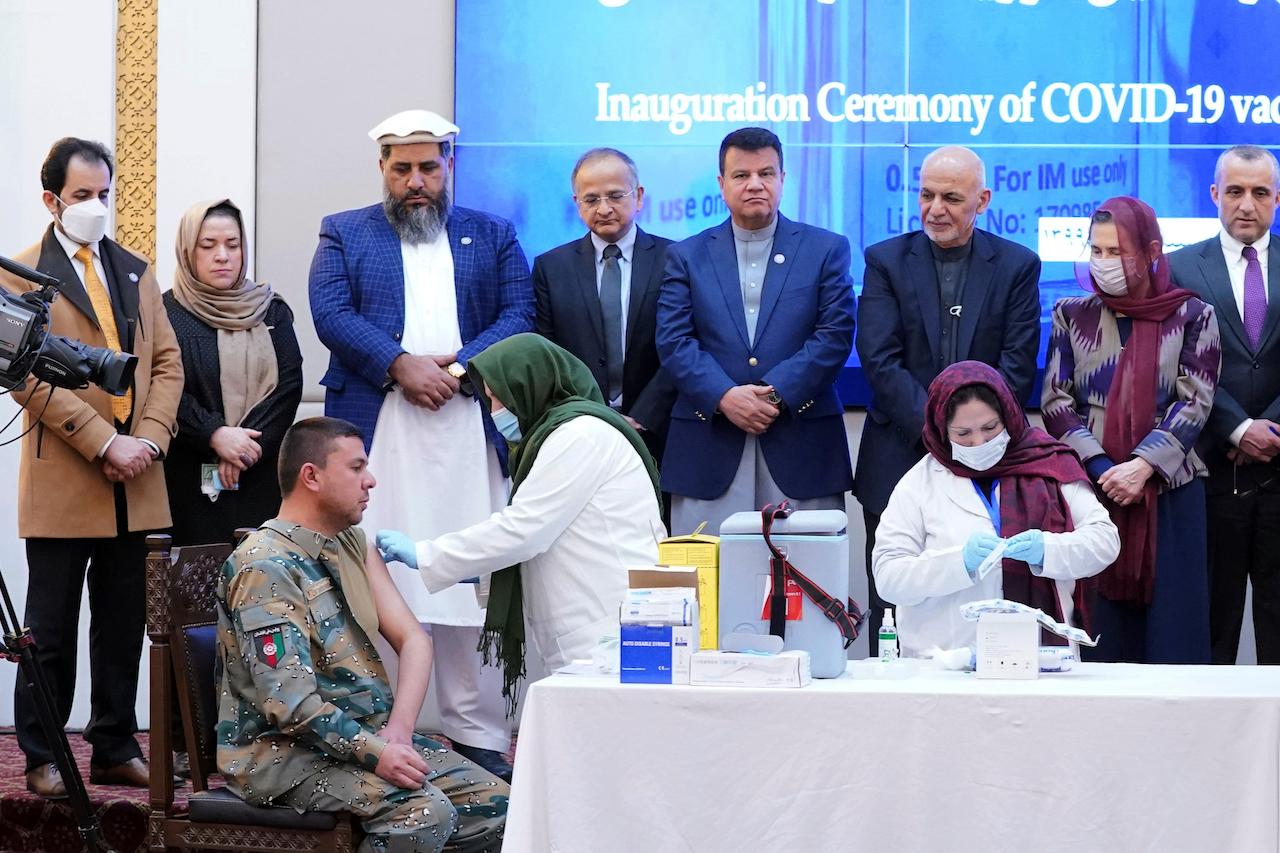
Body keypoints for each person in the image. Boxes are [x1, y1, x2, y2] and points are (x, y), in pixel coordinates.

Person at [309, 109, 533, 780]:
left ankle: (478, 734)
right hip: (381, 434)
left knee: (473, 577)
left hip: (469, 428)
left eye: (428, 167)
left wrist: (457, 369)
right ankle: (378, 727)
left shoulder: (490, 235)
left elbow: (519, 314)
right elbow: (332, 312)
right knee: (376, 576)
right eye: (402, 168)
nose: (416, 181)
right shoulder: (345, 232)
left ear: (449, 167)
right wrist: (400, 363)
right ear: (383, 168)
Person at [217, 417, 508, 853]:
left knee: (501, 806)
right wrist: (377, 752)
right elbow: (292, 706)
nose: (370, 481)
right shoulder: (266, 566)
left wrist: (399, 733)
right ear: (311, 476)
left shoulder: (348, 542)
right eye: (356, 468)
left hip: (362, 737)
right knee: (422, 813)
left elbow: (414, 640)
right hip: (281, 754)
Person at [0, 138, 183, 798]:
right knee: (47, 628)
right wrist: (106, 442)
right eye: (82, 197)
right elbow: (23, 377)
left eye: (104, 194)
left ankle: (113, 744)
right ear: (51, 199)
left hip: (140, 479)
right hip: (66, 478)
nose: (95, 207)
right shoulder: (18, 273)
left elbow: (167, 364)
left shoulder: (136, 270)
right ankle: (43, 753)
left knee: (123, 623)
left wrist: (150, 442)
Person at [376, 334, 664, 708]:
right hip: (593, 632)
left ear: (530, 386)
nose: (494, 410)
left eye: (498, 397)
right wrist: (471, 569)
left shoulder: (579, 435)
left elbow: (524, 531)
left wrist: (427, 553)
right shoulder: (558, 437)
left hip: (605, 631)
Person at [854, 145, 1041, 654]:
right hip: (899, 452)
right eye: (927, 195)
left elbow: (1017, 365)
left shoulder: (1017, 265)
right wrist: (938, 432)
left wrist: (972, 435)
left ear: (982, 200)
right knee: (893, 599)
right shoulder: (886, 260)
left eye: (951, 198)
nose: (935, 208)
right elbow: (878, 358)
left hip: (988, 459)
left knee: (990, 590)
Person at [1042, 196, 1221, 664]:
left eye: (1116, 252)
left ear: (1151, 251)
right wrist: (1103, 467)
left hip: (1169, 493)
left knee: (1172, 638)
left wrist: (1141, 467)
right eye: (1096, 251)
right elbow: (1056, 402)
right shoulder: (1071, 313)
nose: (1104, 264)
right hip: (1092, 492)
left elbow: (1195, 401)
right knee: (1100, 635)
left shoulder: (1192, 315)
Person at [656, 126, 855, 538]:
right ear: (721, 184)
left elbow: (834, 334)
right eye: (741, 175)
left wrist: (775, 393)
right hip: (708, 447)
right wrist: (725, 396)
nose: (755, 185)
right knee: (709, 588)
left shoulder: (826, 248)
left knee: (807, 586)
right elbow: (674, 340)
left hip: (801, 444)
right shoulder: (685, 255)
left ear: (783, 179)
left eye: (766, 173)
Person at [873, 362, 1118, 658]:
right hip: (944, 662)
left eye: (990, 428)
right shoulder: (919, 483)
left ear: (1009, 415)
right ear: (941, 429)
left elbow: (1105, 542)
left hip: (1042, 659)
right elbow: (888, 577)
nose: (979, 443)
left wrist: (1047, 549)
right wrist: (957, 562)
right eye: (963, 434)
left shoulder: (1051, 464)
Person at [1168, 146, 1280, 665]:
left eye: (1260, 193)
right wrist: (1237, 428)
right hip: (1210, 475)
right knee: (1212, 629)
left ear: (1277, 199)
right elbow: (1174, 367)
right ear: (1214, 194)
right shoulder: (1178, 269)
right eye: (1234, 191)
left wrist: (1270, 428)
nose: (1246, 205)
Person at [163, 199, 303, 546]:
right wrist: (214, 434)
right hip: (187, 478)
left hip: (260, 475)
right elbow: (163, 387)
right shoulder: (164, 313)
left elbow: (287, 386)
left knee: (260, 584)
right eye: (208, 245)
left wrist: (243, 448)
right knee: (193, 587)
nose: (222, 255)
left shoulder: (271, 311)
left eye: (233, 244)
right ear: (187, 250)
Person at [532, 147, 675, 481]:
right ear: (576, 204)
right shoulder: (551, 268)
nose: (604, 208)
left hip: (660, 432)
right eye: (591, 199)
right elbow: (548, 353)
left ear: (638, 196)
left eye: (615, 195)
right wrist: (590, 416)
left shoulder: (676, 258)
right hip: (579, 433)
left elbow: (682, 346)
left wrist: (643, 416)